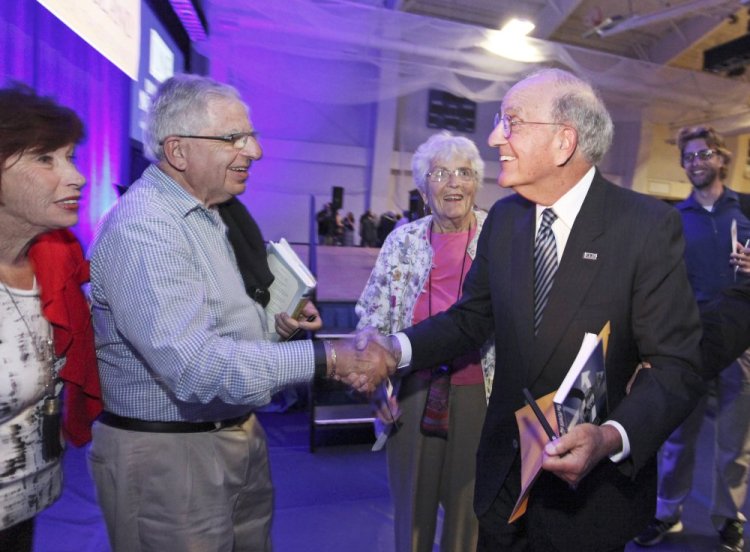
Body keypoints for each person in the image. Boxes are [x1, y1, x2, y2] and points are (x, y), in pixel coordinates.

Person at [358, 68, 705, 551]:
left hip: (590, 498)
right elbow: (470, 319)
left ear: (564, 142)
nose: (495, 135)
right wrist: (395, 349)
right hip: (503, 483)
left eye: (511, 122)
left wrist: (609, 436)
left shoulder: (645, 227)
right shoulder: (505, 220)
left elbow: (676, 366)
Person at [87, 74, 394, 552]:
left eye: (249, 136)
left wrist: (276, 325)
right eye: (234, 138)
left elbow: (224, 327)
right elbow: (195, 367)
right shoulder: (145, 230)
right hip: (173, 456)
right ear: (178, 151)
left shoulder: (208, 214)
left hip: (232, 437)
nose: (255, 151)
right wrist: (326, 359)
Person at [356, 132, 495, 552]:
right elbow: (372, 318)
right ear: (422, 189)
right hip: (413, 389)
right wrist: (376, 384)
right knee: (411, 514)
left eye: (464, 173)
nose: (453, 182)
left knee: (468, 517)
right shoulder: (403, 241)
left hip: (481, 392)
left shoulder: (498, 235)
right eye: (440, 173)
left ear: (476, 183)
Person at [634, 126, 750, 551]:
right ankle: (668, 513)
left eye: (704, 154)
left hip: (741, 343)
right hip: (689, 343)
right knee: (678, 437)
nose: (697, 162)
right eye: (689, 157)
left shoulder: (748, 210)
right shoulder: (672, 220)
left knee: (735, 442)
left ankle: (728, 519)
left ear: (721, 159)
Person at [0, 85, 98, 551]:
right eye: (46, 159)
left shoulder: (54, 267)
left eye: (71, 157)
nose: (76, 177)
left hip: (25, 512)